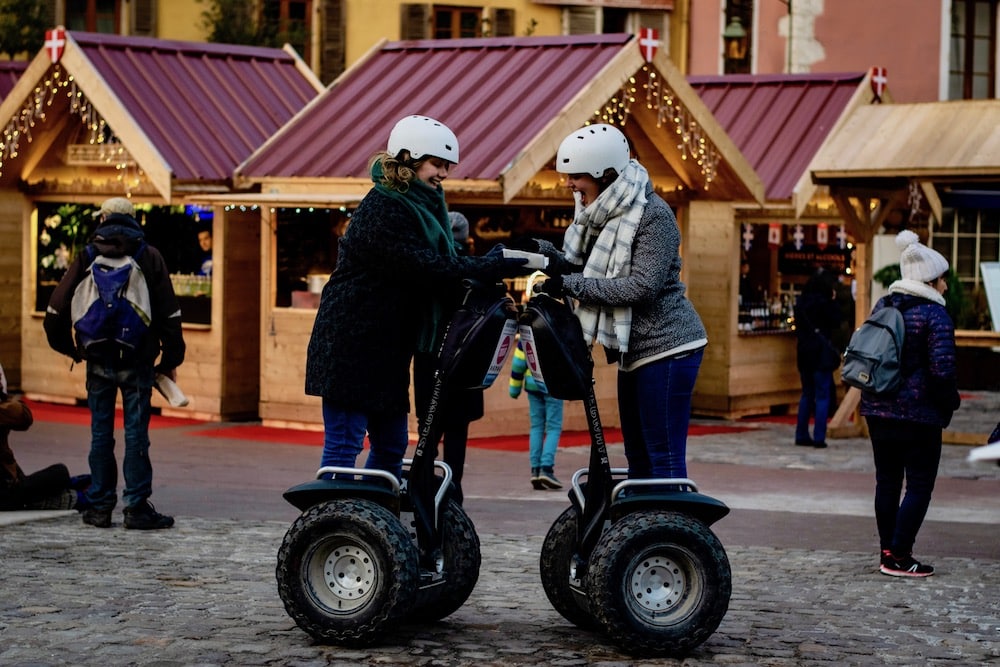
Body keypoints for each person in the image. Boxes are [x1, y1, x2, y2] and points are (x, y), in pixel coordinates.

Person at [305, 115, 527, 481]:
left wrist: (493, 266)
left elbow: (442, 266)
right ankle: (335, 524)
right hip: (352, 346)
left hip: (388, 348)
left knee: (392, 445)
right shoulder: (384, 207)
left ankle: (376, 522)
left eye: (447, 167)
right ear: (407, 159)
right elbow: (423, 266)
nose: (443, 173)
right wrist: (486, 266)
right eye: (436, 164)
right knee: (345, 446)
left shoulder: (423, 206)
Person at [533, 123, 707, 481]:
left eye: (576, 176)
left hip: (669, 346)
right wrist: (542, 255)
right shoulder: (602, 214)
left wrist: (566, 283)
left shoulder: (652, 215)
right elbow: (582, 264)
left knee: (663, 455)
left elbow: (639, 287)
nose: (569, 185)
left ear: (604, 173)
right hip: (634, 351)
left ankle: (672, 531)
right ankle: (641, 531)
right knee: (637, 455)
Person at [44, 196, 185, 530]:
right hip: (138, 360)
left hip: (96, 359)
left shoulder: (89, 255)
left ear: (105, 218)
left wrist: (72, 350)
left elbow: (56, 310)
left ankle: (100, 506)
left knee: (100, 433)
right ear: (134, 220)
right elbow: (169, 313)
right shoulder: (148, 256)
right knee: (136, 434)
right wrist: (170, 359)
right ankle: (136, 508)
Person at [861, 229, 961, 578]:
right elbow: (942, 370)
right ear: (931, 280)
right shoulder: (936, 316)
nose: (946, 286)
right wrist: (951, 404)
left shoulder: (883, 305)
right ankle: (899, 555)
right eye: (943, 280)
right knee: (919, 485)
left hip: (876, 408)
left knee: (886, 482)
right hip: (919, 415)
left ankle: (887, 551)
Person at [412, 211, 486, 505]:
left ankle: (424, 489)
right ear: (467, 239)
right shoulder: (478, 270)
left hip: (431, 357)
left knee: (428, 431)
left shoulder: (434, 266)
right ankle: (453, 494)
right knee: (457, 433)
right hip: (467, 362)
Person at [0, 360, 90, 511]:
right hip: (6, 492)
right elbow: (23, 416)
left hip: (8, 483)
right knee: (60, 474)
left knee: (59, 475)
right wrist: (4, 397)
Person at [509, 326, 564, 490]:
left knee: (537, 427)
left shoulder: (527, 334)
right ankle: (546, 469)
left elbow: (518, 363)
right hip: (553, 386)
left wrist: (514, 389)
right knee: (553, 427)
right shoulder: (557, 332)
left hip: (532, 386)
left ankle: (535, 470)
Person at [793, 268, 842, 448]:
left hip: (804, 353)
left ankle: (801, 434)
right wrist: (833, 300)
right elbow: (837, 321)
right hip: (821, 354)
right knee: (822, 395)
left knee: (806, 394)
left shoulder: (800, 304)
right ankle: (819, 437)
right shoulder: (826, 303)